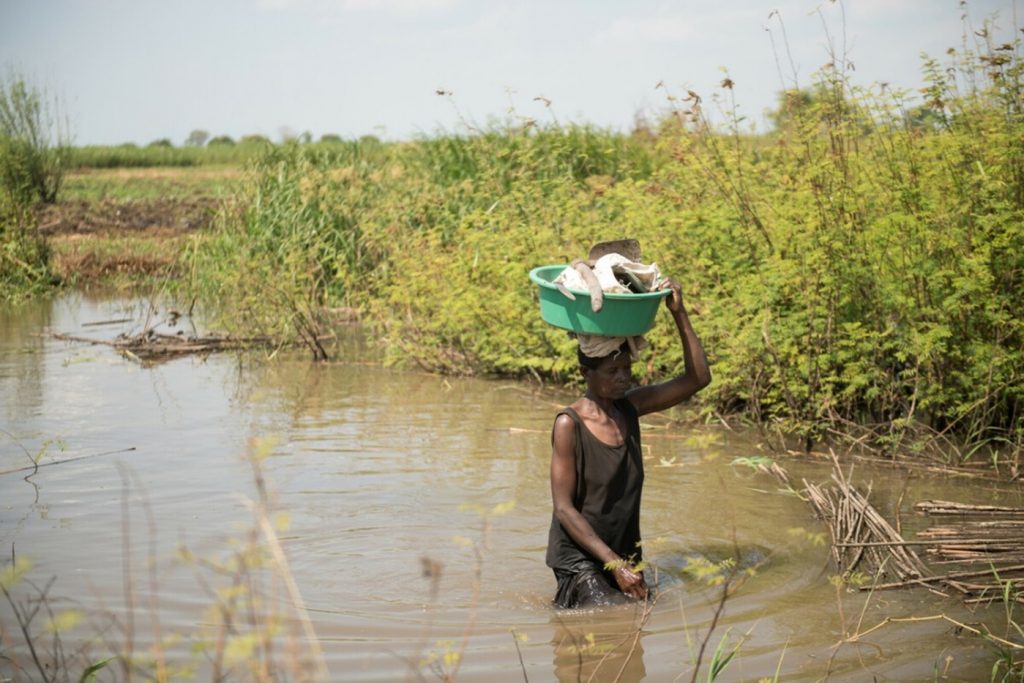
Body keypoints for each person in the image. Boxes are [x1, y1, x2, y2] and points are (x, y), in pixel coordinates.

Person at [545, 277, 711, 609]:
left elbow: (698, 379)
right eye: (613, 370)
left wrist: (679, 314)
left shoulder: (630, 408)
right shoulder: (569, 424)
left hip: (623, 555)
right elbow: (564, 509)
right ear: (585, 373)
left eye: (627, 368)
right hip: (581, 560)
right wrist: (614, 565)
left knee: (638, 620)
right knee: (615, 619)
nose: (624, 377)